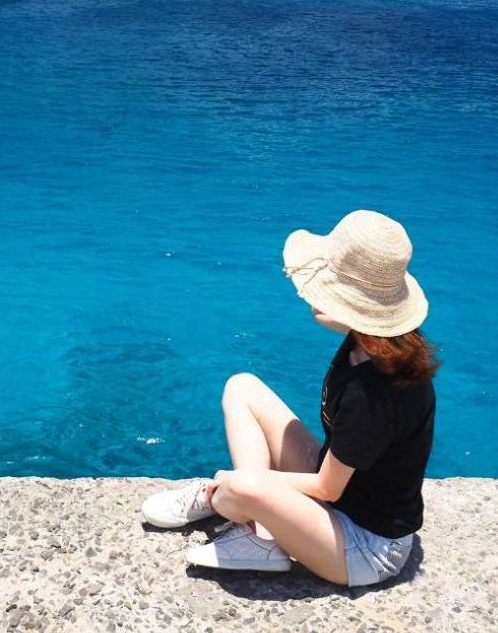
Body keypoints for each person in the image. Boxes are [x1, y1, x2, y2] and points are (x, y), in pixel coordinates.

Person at [141, 210, 439, 587]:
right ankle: (257, 532)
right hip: (345, 497)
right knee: (242, 386)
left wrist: (237, 481)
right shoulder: (368, 346)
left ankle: (224, 500)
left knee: (243, 485)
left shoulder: (374, 394)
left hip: (367, 546)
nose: (314, 296)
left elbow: (327, 489)